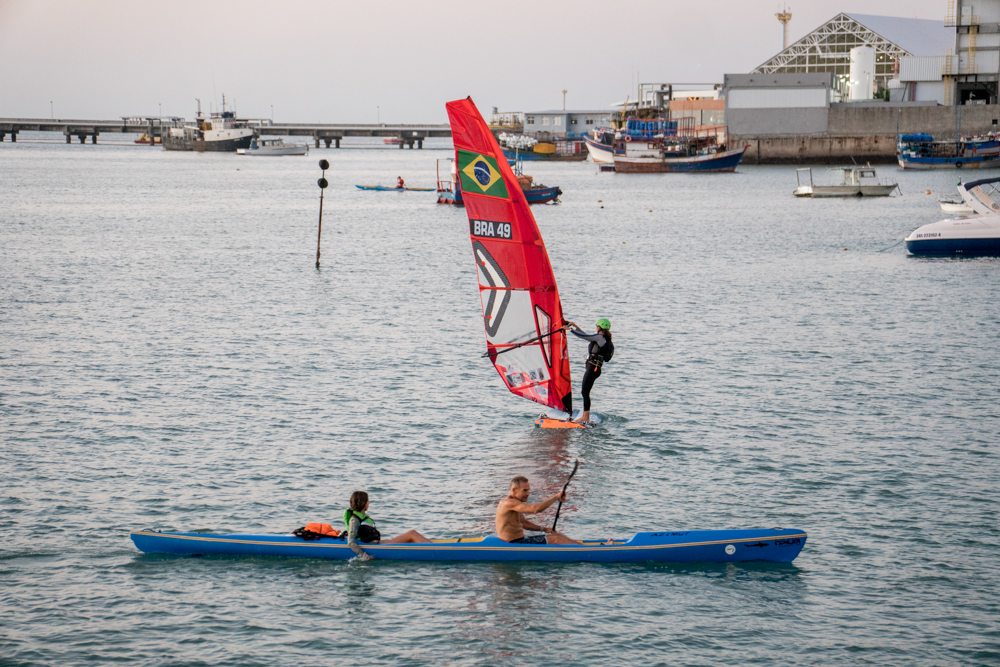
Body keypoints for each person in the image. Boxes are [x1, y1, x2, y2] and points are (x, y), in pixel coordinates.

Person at [345, 490, 430, 561]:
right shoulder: (355, 520)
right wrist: (363, 555)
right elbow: (351, 541)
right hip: (376, 548)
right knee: (412, 534)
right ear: (363, 503)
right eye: (368, 501)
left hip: (379, 545)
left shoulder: (363, 517)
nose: (368, 503)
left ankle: (433, 546)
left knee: (412, 538)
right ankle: (434, 548)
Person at [495, 476, 581, 545]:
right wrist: (555, 497)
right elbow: (535, 509)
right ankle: (585, 551)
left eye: (528, 490)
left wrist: (544, 529)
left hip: (522, 540)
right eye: (524, 490)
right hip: (513, 543)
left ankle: (583, 547)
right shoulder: (507, 503)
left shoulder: (516, 503)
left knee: (558, 536)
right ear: (514, 490)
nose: (528, 493)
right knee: (556, 539)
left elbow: (524, 523)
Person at [562, 318, 614, 423]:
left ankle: (586, 417)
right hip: (594, 368)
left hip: (593, 368)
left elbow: (585, 337)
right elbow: (587, 336)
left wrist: (570, 330)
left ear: (600, 327)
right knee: (585, 391)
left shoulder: (600, 337)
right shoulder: (601, 338)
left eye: (597, 326)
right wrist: (576, 327)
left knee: (585, 392)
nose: (596, 327)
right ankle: (586, 416)